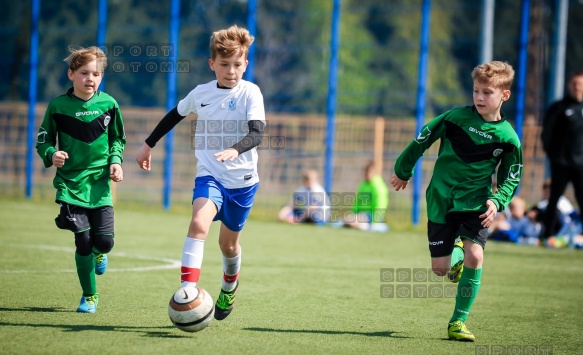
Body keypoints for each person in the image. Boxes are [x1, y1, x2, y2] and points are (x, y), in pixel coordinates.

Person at [135, 25, 264, 321]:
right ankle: (187, 290)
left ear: (246, 64)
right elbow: (175, 115)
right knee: (198, 223)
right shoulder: (201, 93)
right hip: (210, 175)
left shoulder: (250, 93)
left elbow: (257, 133)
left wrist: (236, 149)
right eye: (224, 65)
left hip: (243, 183)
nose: (231, 71)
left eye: (237, 65)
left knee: (227, 245)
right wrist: (147, 145)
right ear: (212, 64)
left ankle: (229, 286)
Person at [391, 61, 522, 342]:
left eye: (487, 92)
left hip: (476, 202)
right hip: (441, 197)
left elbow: (511, 177)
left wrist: (497, 201)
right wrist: (404, 170)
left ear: (504, 95)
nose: (479, 97)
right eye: (476, 91)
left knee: (477, 255)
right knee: (440, 270)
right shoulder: (454, 118)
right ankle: (457, 254)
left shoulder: (509, 138)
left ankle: (457, 322)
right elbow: (421, 139)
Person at [35, 46, 126, 313]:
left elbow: (117, 139)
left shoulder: (109, 104)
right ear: (71, 74)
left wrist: (116, 162)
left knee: (105, 242)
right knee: (83, 241)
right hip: (70, 184)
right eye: (84, 72)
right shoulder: (58, 106)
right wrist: (52, 154)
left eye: (96, 74)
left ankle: (102, 252)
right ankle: (89, 296)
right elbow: (43, 139)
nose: (91, 78)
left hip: (99, 184)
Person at [540, 70, 583, 243]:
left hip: (581, 164)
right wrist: (554, 157)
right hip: (561, 163)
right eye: (575, 84)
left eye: (580, 84)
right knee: (554, 198)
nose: (577, 88)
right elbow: (546, 135)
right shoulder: (558, 108)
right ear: (569, 85)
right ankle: (546, 235)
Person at [343, 161, 389, 232]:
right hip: (362, 214)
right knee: (348, 219)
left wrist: (375, 222)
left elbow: (380, 204)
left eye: (369, 172)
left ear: (374, 173)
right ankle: (362, 225)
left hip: (371, 215)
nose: (366, 174)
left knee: (351, 221)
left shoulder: (378, 186)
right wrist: (354, 213)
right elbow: (357, 201)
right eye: (366, 172)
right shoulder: (363, 184)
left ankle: (373, 227)